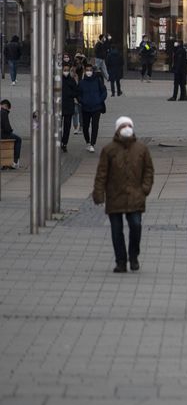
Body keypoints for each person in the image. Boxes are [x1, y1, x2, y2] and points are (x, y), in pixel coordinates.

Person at [91, 116, 154, 273]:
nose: (126, 128)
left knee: (136, 225)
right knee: (116, 230)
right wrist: (99, 194)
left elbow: (148, 170)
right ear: (117, 130)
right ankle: (120, 261)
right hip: (115, 196)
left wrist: (145, 188)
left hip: (135, 196)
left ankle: (133, 256)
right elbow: (102, 173)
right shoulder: (109, 150)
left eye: (128, 126)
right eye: (123, 126)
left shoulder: (141, 149)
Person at [78, 62, 109, 152]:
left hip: (96, 107)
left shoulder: (97, 81)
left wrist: (99, 100)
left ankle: (92, 143)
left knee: (95, 126)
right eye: (87, 70)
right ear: (84, 71)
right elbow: (78, 94)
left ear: (93, 71)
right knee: (85, 126)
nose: (89, 72)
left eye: (90, 70)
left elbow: (104, 91)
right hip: (85, 108)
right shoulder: (82, 83)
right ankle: (87, 141)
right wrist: (82, 101)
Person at [59, 64, 79, 151]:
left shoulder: (72, 81)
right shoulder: (58, 80)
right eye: (65, 69)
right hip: (59, 107)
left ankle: (64, 143)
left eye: (67, 70)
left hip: (69, 107)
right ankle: (59, 141)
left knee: (67, 127)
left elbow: (76, 92)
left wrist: (70, 94)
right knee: (58, 126)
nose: (66, 71)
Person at [0, 99, 20, 168]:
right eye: (8, 109)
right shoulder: (3, 112)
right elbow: (6, 127)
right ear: (5, 106)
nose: (8, 110)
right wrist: (10, 130)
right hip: (3, 134)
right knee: (18, 139)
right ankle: (15, 161)